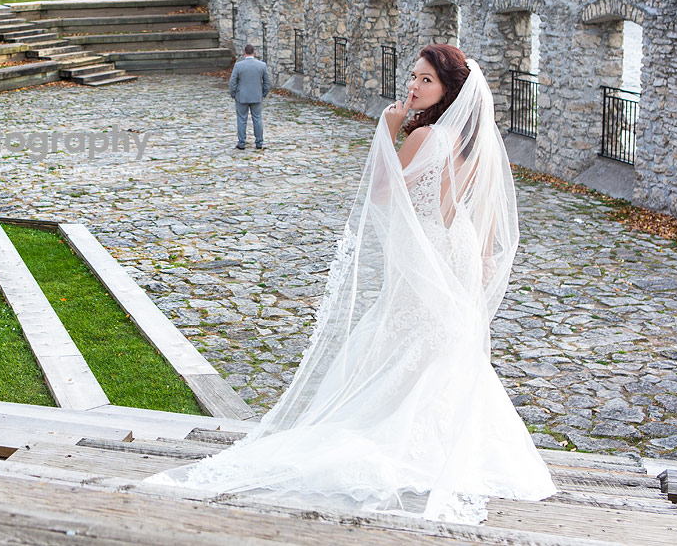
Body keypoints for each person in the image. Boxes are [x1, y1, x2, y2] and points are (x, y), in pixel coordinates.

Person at [147, 43, 556, 524]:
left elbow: (383, 195)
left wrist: (388, 129)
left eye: (427, 80)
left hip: (425, 248)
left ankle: (400, 432)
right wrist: (482, 261)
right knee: (444, 338)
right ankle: (453, 438)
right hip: (458, 247)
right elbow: (481, 213)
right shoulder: (476, 142)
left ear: (450, 90)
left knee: (412, 333)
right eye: (413, 76)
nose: (414, 86)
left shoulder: (426, 139)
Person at [229, 44, 271, 150]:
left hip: (241, 96)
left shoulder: (238, 66)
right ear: (254, 52)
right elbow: (267, 82)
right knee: (257, 119)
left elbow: (232, 82)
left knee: (241, 120)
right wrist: (263, 94)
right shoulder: (262, 65)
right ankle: (259, 142)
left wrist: (233, 94)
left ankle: (242, 143)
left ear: (244, 52)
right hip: (256, 96)